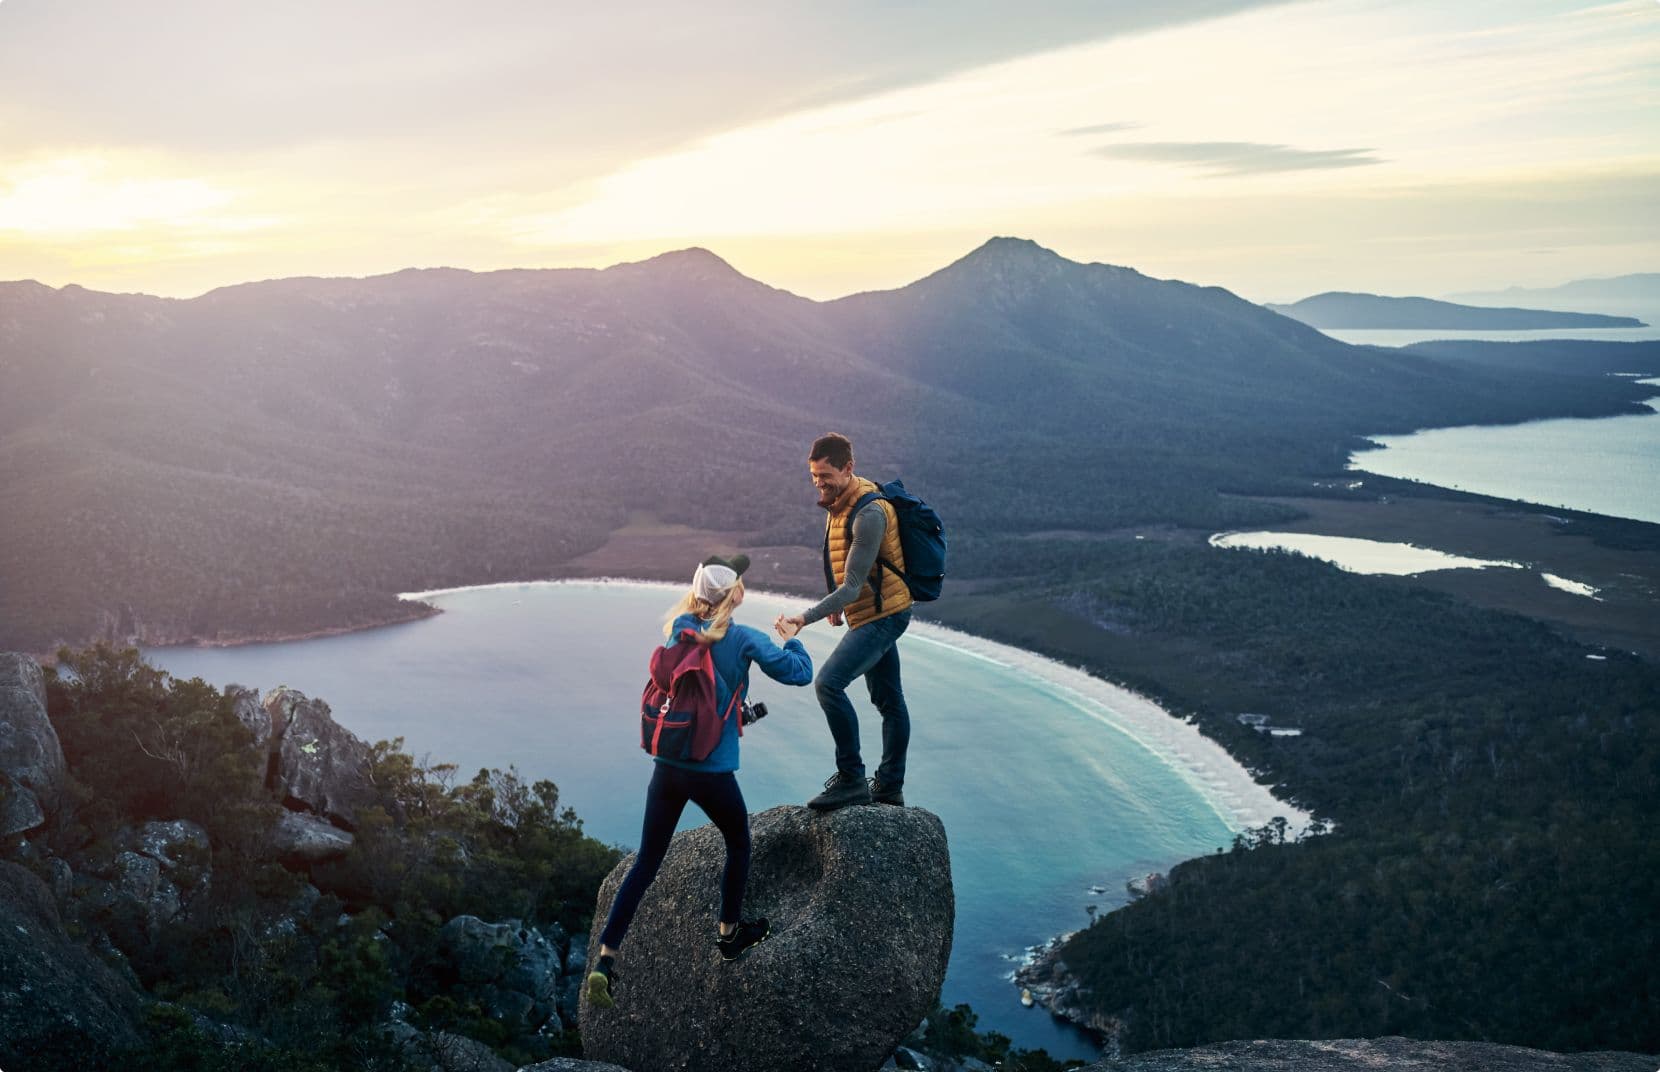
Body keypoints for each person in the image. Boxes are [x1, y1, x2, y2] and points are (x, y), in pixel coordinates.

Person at [585, 553, 813, 1010]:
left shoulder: (678, 630)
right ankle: (729, 935)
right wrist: (791, 640)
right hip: (711, 773)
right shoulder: (744, 639)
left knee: (647, 861)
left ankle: (605, 961)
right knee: (739, 843)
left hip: (667, 768)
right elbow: (800, 674)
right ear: (737, 595)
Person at [775, 433, 913, 811]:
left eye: (825, 475)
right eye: (814, 476)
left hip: (883, 614)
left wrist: (804, 619)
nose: (819, 483)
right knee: (889, 701)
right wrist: (834, 598)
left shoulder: (869, 512)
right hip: (872, 610)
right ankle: (889, 787)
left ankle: (852, 778)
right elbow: (839, 558)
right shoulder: (840, 500)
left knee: (829, 685)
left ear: (848, 467)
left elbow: (853, 586)